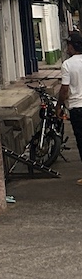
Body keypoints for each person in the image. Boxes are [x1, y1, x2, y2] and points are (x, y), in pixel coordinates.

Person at [56, 32, 82, 183]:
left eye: (68, 45)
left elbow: (64, 90)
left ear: (72, 47)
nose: (67, 48)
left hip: (77, 108)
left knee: (81, 141)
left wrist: (59, 106)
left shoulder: (67, 65)